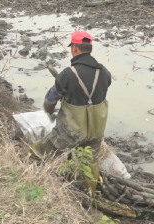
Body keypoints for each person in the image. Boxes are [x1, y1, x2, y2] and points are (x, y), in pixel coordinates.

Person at [31, 31, 112, 193]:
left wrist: (50, 112)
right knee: (91, 162)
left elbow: (50, 101)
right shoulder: (105, 73)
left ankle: (28, 178)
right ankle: (92, 198)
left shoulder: (67, 74)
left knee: (39, 151)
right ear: (90, 49)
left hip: (70, 132)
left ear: (74, 49)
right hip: (96, 132)